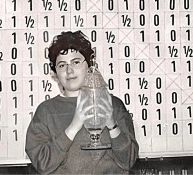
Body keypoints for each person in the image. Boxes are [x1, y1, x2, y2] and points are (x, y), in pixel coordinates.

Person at [25, 30, 139, 174]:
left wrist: (112, 125)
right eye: (61, 65)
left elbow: (129, 160)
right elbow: (42, 163)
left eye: (76, 62)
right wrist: (74, 126)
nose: (69, 70)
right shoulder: (46, 111)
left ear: (90, 65)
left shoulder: (113, 105)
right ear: (55, 73)